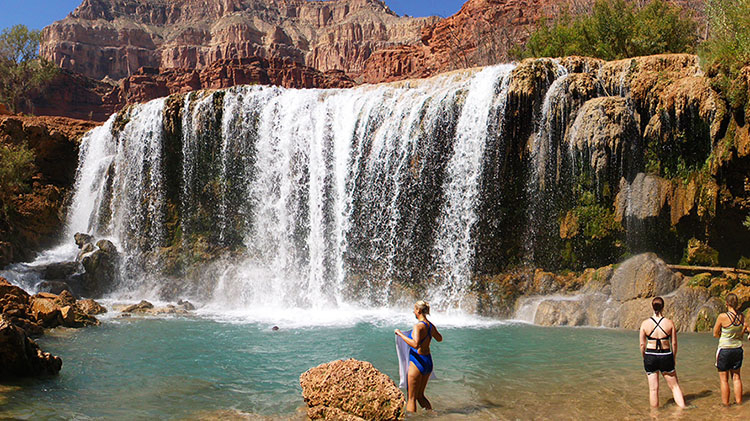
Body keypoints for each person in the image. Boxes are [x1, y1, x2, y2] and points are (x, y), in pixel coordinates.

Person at [395, 300, 442, 413]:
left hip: (417, 361)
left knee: (411, 398)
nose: (414, 312)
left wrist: (400, 334)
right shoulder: (430, 326)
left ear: (419, 311)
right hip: (428, 362)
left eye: (414, 310)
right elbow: (440, 338)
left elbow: (415, 344)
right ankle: (431, 415)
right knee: (420, 395)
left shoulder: (418, 326)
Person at [639, 296, 686, 408]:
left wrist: (644, 357)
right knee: (674, 386)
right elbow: (674, 343)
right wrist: (673, 357)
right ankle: (683, 409)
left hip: (650, 355)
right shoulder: (669, 323)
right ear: (663, 307)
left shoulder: (645, 324)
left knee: (653, 389)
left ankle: (655, 415)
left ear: (652, 307)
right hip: (666, 355)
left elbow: (642, 344)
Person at [712, 293, 749, 406]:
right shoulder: (741, 316)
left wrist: (722, 336)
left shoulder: (723, 317)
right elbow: (743, 331)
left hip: (725, 349)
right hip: (737, 349)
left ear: (726, 303)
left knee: (724, 379)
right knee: (737, 377)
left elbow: (715, 333)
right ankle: (739, 403)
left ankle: (726, 405)